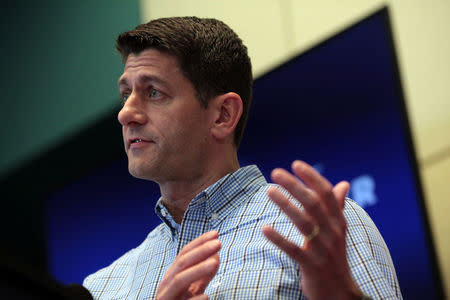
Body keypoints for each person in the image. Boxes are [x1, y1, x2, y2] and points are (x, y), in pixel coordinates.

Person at [83, 17, 402, 300]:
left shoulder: (318, 230)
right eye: (126, 94)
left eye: (153, 92)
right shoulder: (103, 287)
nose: (126, 113)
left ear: (222, 115)